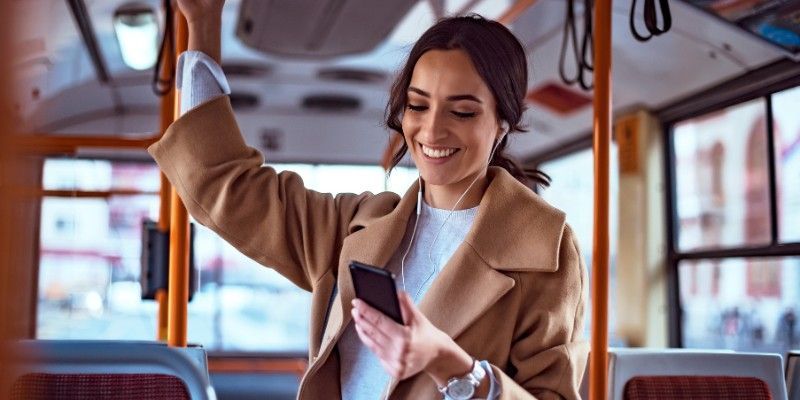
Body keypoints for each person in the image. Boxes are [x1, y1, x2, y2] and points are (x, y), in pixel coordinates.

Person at [152, 1, 588, 398]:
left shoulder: (544, 252)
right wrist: (204, 23)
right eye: (418, 106)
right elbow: (224, 183)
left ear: (503, 124)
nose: (432, 132)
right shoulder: (356, 225)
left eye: (462, 112)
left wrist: (451, 365)